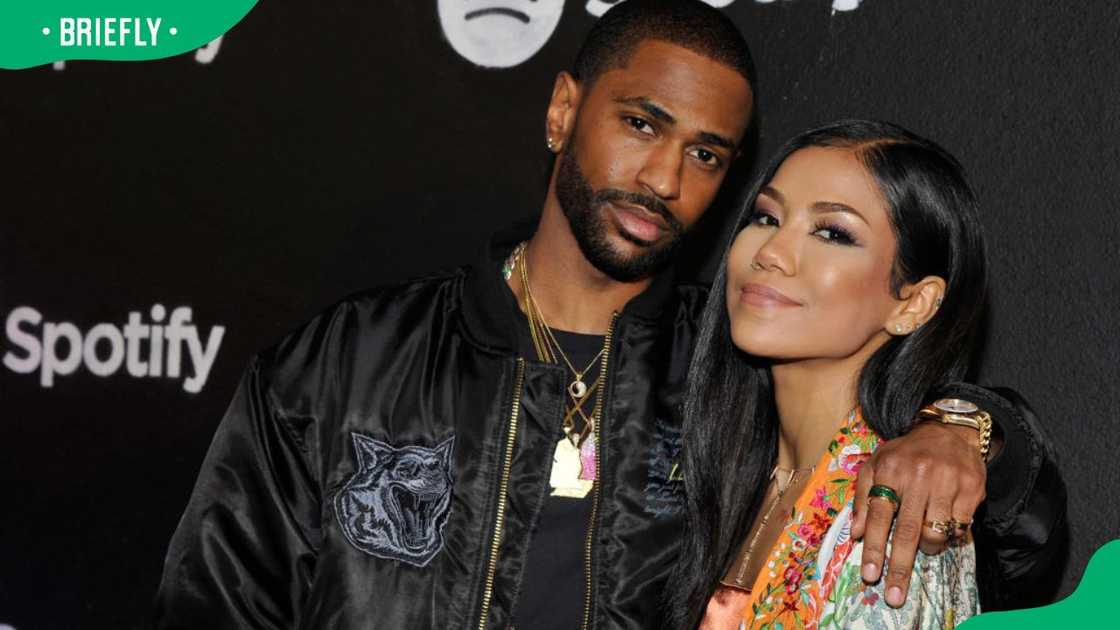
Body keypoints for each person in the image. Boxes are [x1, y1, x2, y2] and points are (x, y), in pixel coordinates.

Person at [152, 2, 1065, 629]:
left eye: (707, 155)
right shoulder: (350, 360)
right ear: (562, 112)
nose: (666, 179)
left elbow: (1004, 539)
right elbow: (216, 605)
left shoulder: (731, 374)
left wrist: (970, 428)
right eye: (641, 124)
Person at [669, 120, 1020, 628]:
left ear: (914, 304)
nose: (770, 253)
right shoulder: (724, 467)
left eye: (832, 232)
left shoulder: (899, 509)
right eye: (766, 217)